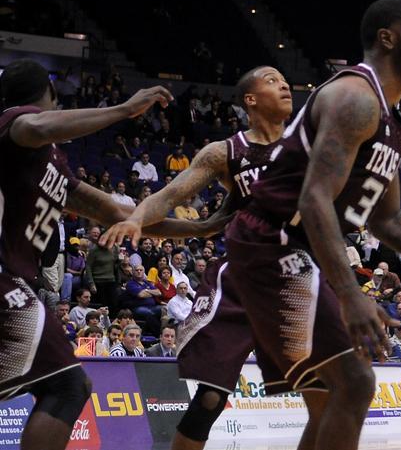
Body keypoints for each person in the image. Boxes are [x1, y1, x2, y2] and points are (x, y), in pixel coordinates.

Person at [104, 0, 401, 450]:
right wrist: (136, 218)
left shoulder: (382, 122)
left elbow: (387, 219)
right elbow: (302, 200)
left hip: (297, 253)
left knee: (330, 396)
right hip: (270, 249)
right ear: (388, 39)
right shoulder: (348, 102)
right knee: (330, 385)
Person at [100, 65, 300, 450]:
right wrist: (139, 218)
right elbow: (170, 195)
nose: (285, 84)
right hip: (244, 276)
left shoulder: (307, 142)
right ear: (251, 99)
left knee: (336, 385)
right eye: (272, 80)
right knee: (211, 397)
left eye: (285, 80)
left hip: (296, 277)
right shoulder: (225, 152)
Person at [0, 60, 177, 450]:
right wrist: (124, 110)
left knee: (64, 386)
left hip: (15, 281)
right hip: (6, 280)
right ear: (49, 97)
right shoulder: (16, 122)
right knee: (68, 385)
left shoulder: (52, 162)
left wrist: (204, 227)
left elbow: (120, 214)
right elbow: (36, 126)